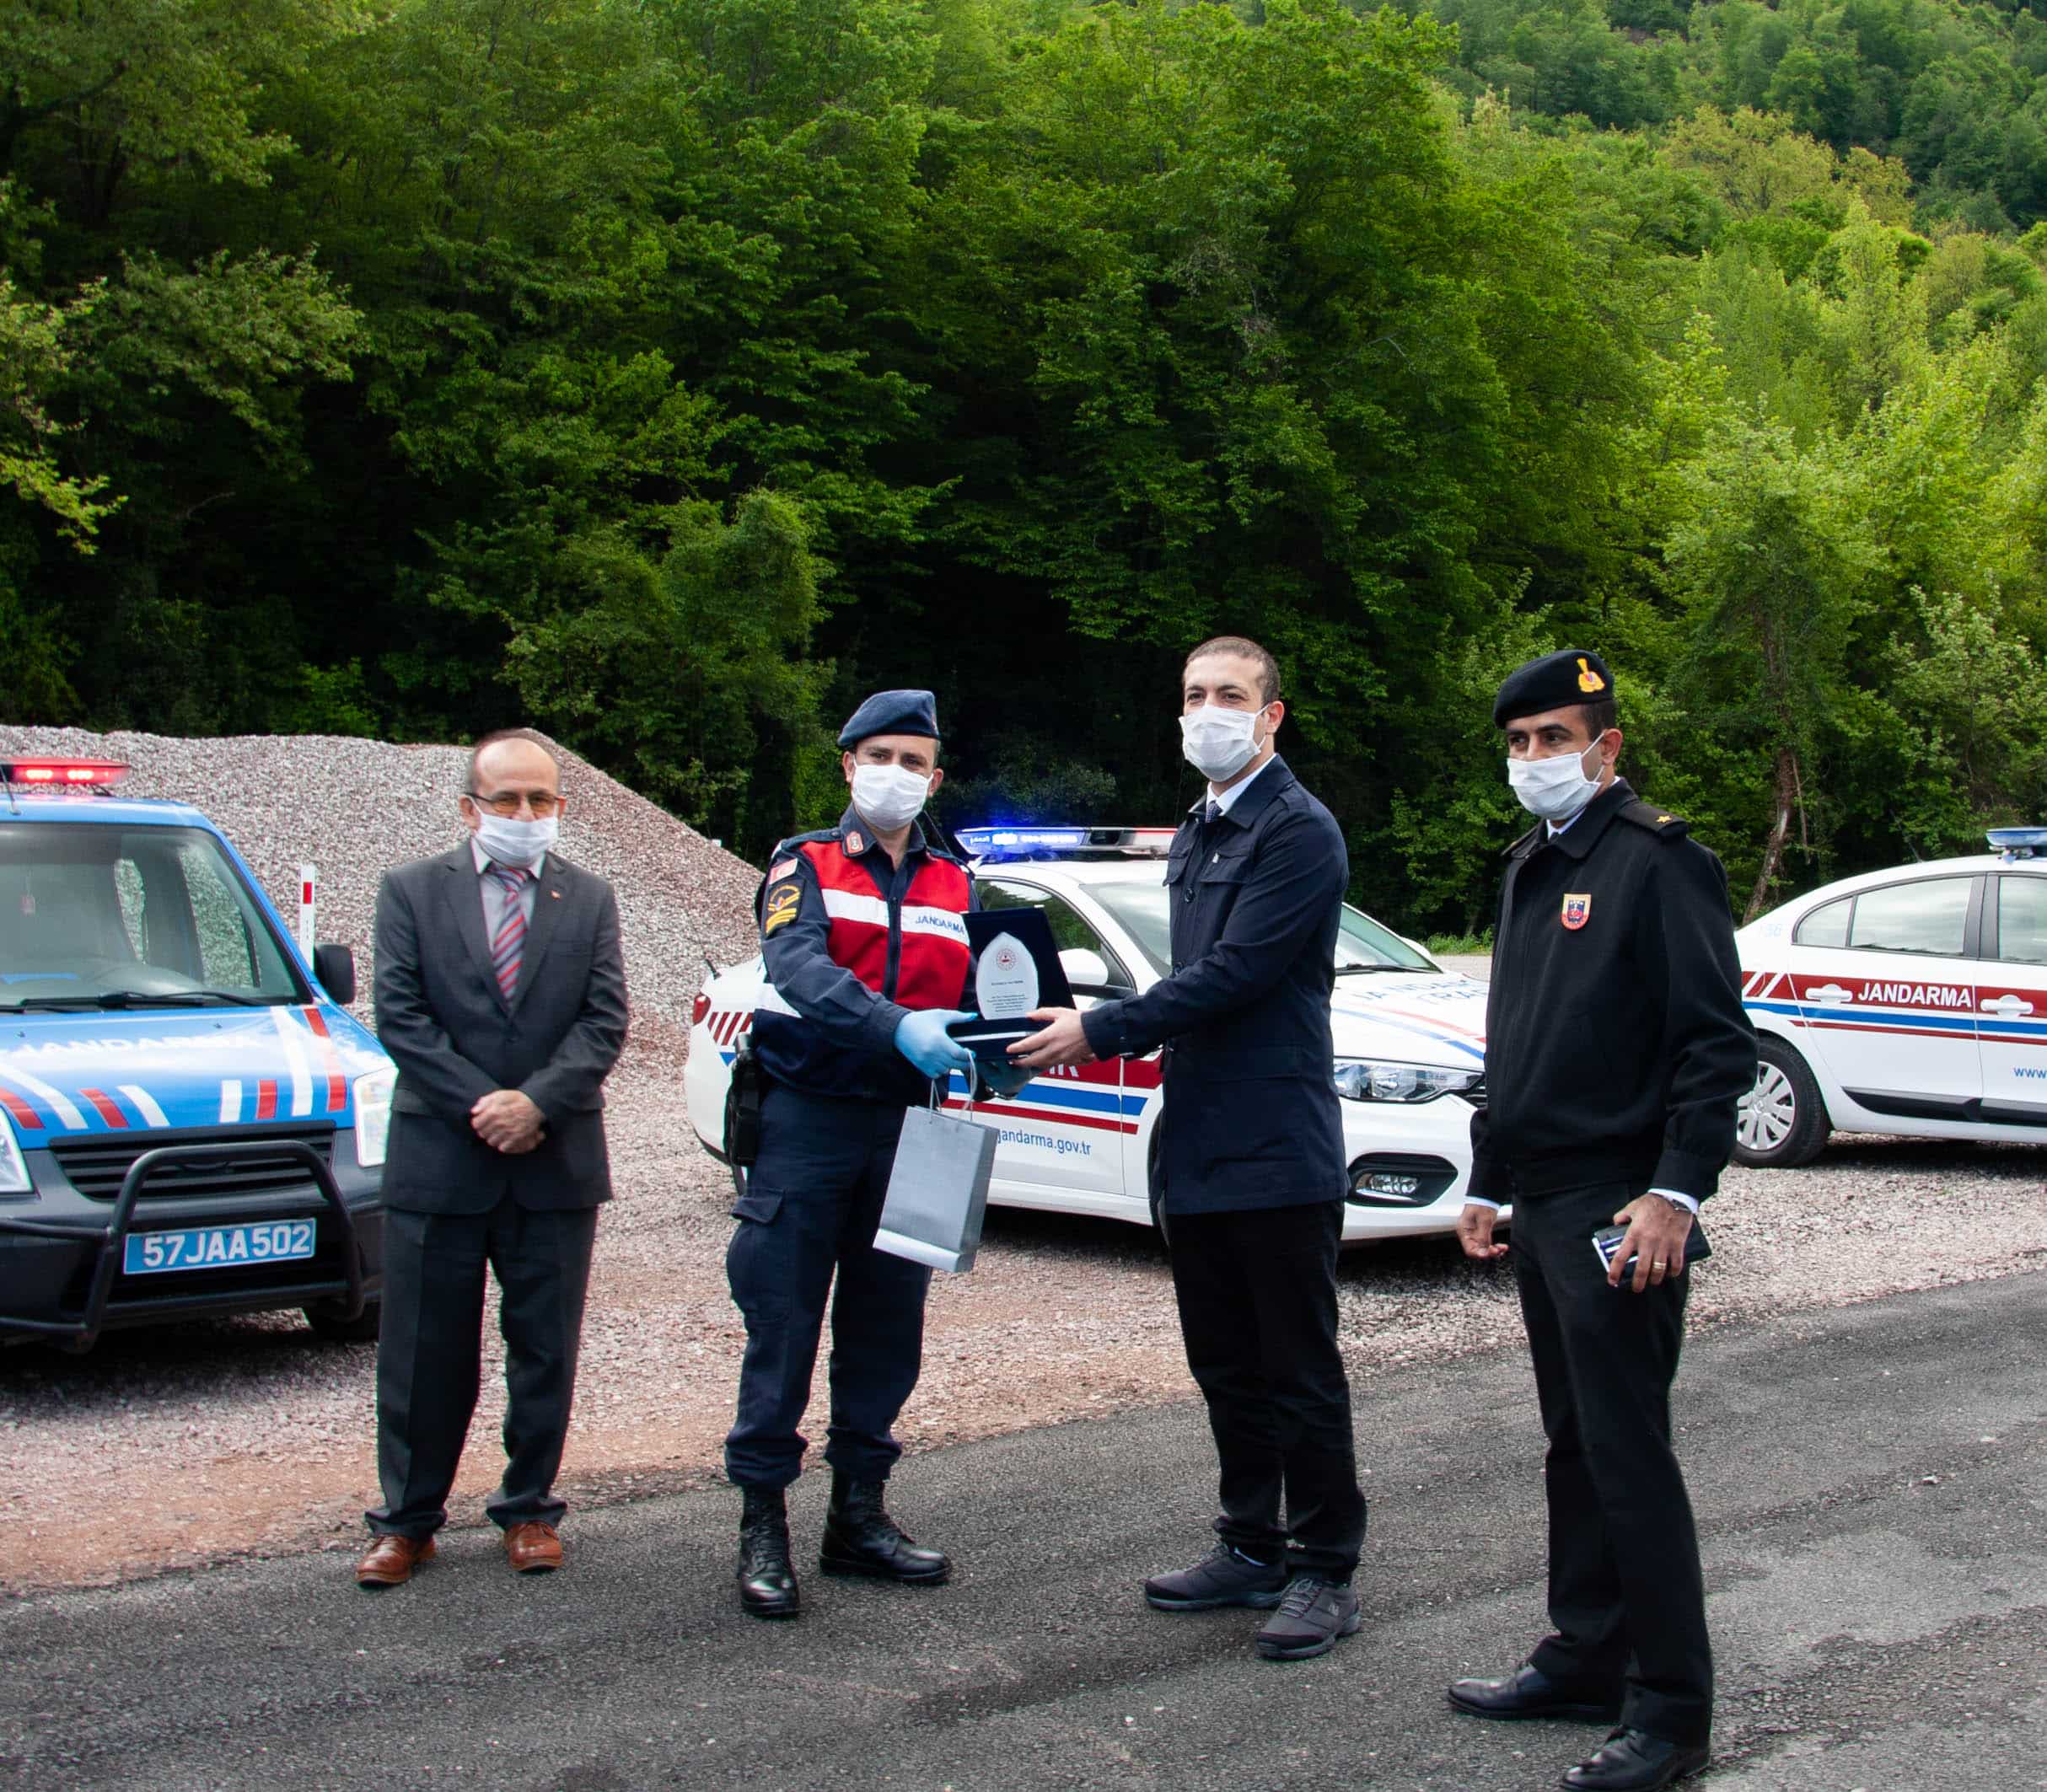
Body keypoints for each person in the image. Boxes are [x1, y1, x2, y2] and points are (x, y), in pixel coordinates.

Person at [1013, 636, 1366, 1662]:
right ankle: (1250, 1542)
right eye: (1192, 695)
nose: (1206, 710)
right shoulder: (1199, 830)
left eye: (1229, 695)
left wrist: (1098, 1027)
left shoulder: (1297, 830)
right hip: (1200, 1134)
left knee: (1297, 1365)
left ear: (1271, 715)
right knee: (1224, 1361)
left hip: (1276, 1139)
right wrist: (1083, 1007)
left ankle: (1325, 1566)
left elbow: (1240, 972)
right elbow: (1193, 978)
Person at [1448, 649, 1754, 1791]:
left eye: (1555, 738)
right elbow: (1516, 1042)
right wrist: (1488, 1175)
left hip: (1622, 1204)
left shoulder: (1659, 864)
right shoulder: (1533, 862)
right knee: (1575, 1446)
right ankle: (1585, 1655)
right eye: (1520, 742)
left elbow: (1715, 1044)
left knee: (1628, 1454)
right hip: (1542, 1196)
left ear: (1606, 747)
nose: (1535, 760)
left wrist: (1677, 1189)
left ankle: (1671, 1709)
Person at [724, 689, 979, 1620]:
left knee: (885, 1329)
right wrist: (895, 1026)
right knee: (782, 1323)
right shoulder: (806, 859)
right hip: (809, 1120)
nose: (897, 774)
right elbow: (797, 966)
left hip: (908, 1125)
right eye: (881, 755)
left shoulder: (959, 874)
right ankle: (763, 1525)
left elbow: (989, 982)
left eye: (915, 761)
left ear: (937, 776)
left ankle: (857, 1517)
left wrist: (993, 1045)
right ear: (846, 763)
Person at [354, 729, 629, 1589]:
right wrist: (486, 1104)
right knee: (422, 1349)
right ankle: (407, 1519)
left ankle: (530, 1508)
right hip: (443, 1153)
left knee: (544, 1345)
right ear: (470, 805)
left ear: (559, 806)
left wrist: (536, 1102)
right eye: (506, 799)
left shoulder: (589, 897)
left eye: (539, 799)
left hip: (554, 1158)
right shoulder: (409, 891)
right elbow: (399, 1015)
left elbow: (605, 1018)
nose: (523, 814)